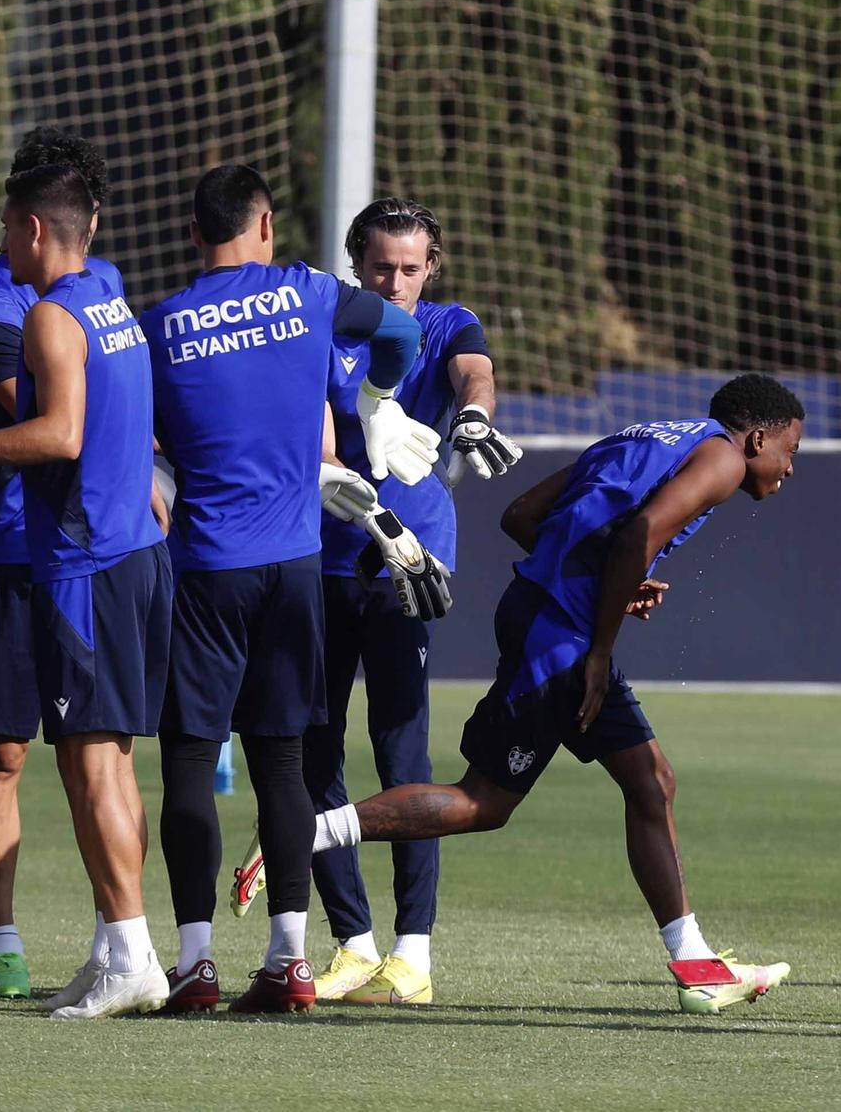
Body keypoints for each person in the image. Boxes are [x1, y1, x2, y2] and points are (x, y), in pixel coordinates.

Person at [309, 375, 802, 1014]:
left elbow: (524, 516)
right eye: (790, 449)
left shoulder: (641, 436)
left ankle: (695, 963)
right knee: (481, 801)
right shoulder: (725, 459)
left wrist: (608, 589)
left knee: (652, 782)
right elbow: (638, 534)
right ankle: (306, 832)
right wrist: (598, 650)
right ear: (757, 436)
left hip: (545, 615)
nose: (789, 467)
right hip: (561, 637)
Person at [144, 165, 438, 1015]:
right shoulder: (309, 292)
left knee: (193, 757)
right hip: (294, 566)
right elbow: (399, 332)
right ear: (265, 225)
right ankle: (289, 961)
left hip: (206, 564)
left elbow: (137, 425)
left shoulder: (162, 324)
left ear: (195, 233)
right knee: (283, 756)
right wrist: (376, 401)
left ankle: (195, 964)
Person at [0, 164, 173, 1021]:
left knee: (91, 766)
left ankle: (128, 953)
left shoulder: (51, 315)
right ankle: (123, 952)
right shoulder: (109, 304)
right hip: (134, 554)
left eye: (11, 227)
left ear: (39, 231)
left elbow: (60, 433)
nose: (3, 242)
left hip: (83, 565)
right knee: (114, 764)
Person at [292, 197, 520, 1006]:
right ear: (356, 263)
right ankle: (353, 943)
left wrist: (474, 417)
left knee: (401, 749)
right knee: (313, 747)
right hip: (325, 555)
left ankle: (413, 951)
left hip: (409, 563)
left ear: (433, 267)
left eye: (409, 267)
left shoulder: (449, 322)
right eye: (380, 266)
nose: (394, 281)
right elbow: (321, 443)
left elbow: (474, 372)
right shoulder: (322, 326)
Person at [0, 127, 127, 1001]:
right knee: (6, 753)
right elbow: (45, 419)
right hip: (10, 554)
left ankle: (113, 936)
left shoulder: (98, 292)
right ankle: (3, 940)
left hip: (88, 551)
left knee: (104, 753)